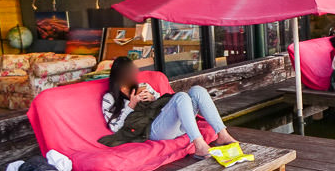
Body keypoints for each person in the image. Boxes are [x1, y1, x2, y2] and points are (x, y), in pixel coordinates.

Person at [101, 57, 236, 159]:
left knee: (197, 90)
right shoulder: (109, 98)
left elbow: (165, 106)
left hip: (175, 125)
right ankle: (199, 144)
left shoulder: (143, 86)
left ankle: (223, 134)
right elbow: (115, 128)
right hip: (152, 130)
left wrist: (153, 98)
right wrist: (131, 106)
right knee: (181, 96)